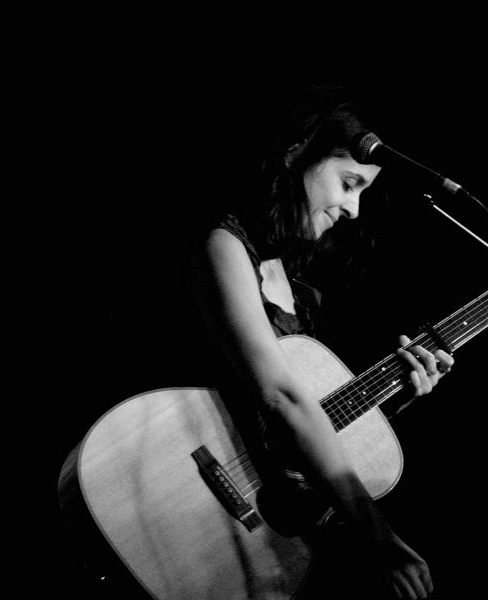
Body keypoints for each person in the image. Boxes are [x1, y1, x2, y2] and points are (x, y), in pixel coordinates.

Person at [190, 84, 454, 600]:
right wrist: (379, 535)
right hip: (188, 479)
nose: (354, 208)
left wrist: (390, 397)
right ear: (296, 154)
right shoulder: (223, 244)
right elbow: (280, 398)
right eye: (349, 183)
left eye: (363, 193)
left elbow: (296, 424)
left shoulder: (299, 289)